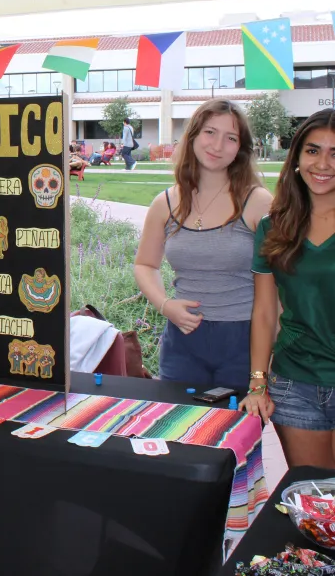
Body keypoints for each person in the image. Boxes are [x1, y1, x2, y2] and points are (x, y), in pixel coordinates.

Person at [133, 99, 272, 389]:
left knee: (236, 433)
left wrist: (266, 365)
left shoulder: (257, 203)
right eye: (210, 132)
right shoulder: (166, 203)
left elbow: (280, 285)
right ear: (193, 135)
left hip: (243, 343)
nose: (218, 145)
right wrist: (165, 305)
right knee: (176, 430)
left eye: (230, 138)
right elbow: (145, 265)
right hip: (182, 342)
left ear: (241, 148)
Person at [240, 109, 335, 468]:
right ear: (296, 156)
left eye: (334, 153)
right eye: (313, 150)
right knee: (315, 502)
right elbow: (265, 312)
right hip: (296, 385)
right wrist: (258, 383)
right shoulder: (274, 226)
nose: (322, 163)